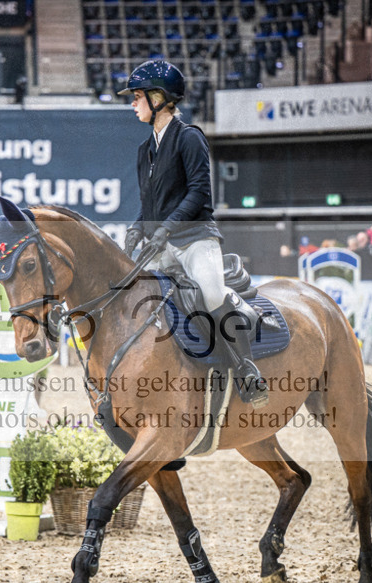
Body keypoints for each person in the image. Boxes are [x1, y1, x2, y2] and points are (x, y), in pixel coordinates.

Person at [119, 59, 268, 407]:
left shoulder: (189, 137)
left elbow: (199, 192)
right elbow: (150, 202)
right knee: (133, 295)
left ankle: (247, 369)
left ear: (158, 98)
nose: (133, 104)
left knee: (211, 295)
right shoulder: (145, 150)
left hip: (195, 239)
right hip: (161, 243)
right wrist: (138, 227)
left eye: (138, 97)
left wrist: (167, 227)